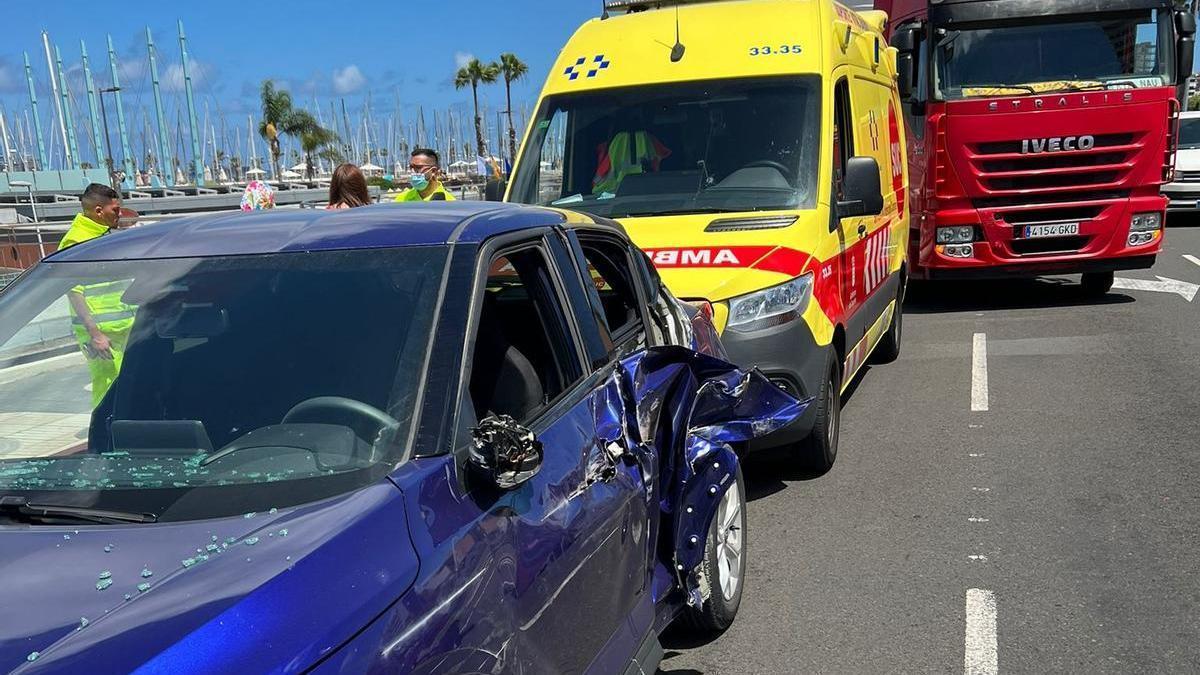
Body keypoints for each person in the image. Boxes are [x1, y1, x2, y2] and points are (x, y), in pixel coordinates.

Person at [59, 183, 136, 407]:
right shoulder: (77, 241)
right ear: (99, 211)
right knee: (107, 388)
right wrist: (95, 333)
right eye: (115, 210)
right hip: (101, 334)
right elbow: (73, 291)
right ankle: (106, 435)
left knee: (123, 386)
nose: (119, 214)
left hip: (119, 330)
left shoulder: (100, 235)